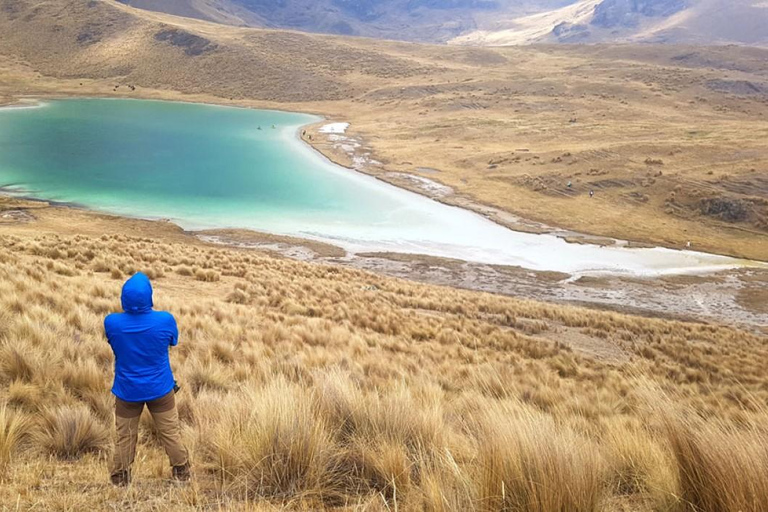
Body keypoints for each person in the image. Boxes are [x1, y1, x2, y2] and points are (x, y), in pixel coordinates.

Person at [105, 273, 190, 486]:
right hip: (160, 388)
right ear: (149, 297)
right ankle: (181, 472)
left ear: (124, 298)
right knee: (171, 432)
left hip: (127, 391)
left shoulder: (112, 322)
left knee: (125, 436)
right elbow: (173, 341)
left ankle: (120, 477)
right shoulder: (165, 320)